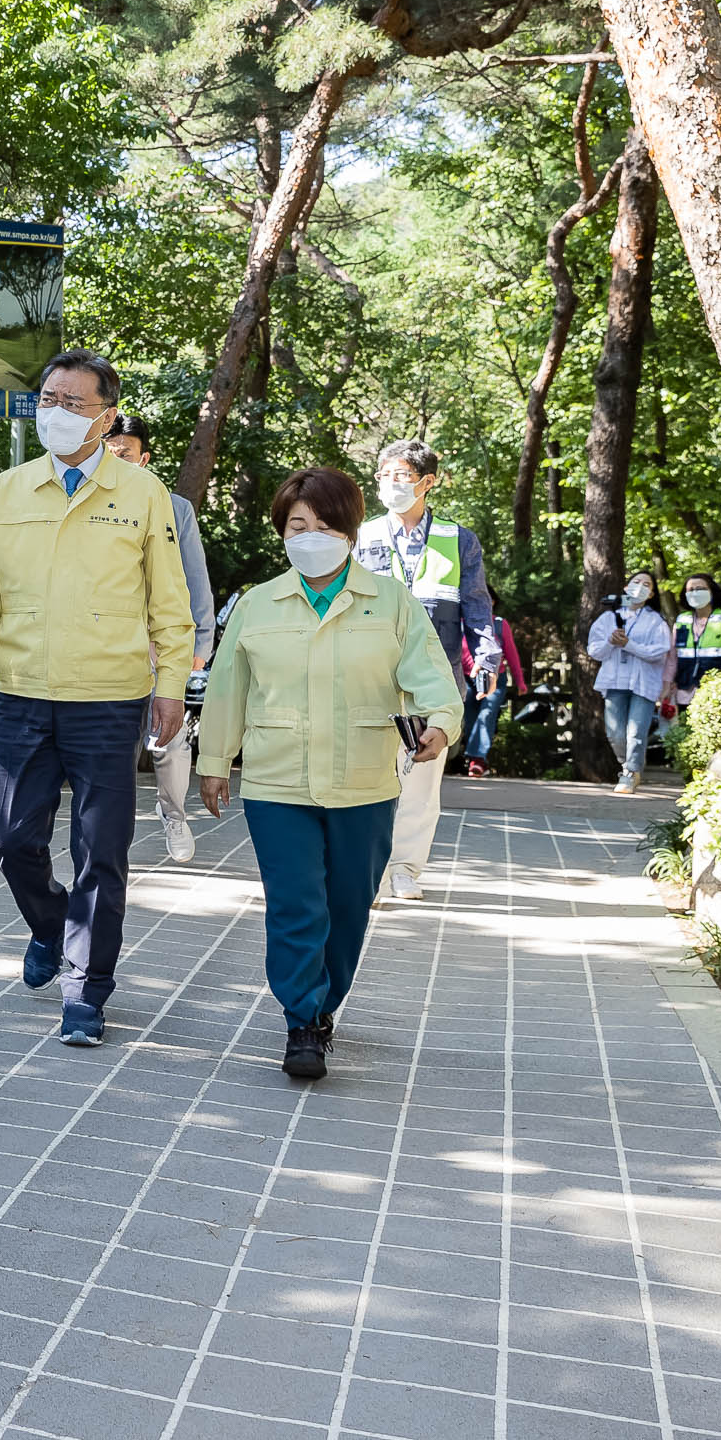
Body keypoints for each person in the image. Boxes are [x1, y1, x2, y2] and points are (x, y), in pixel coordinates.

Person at [0, 351, 197, 1049]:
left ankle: (86, 991)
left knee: (102, 852)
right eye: (47, 398)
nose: (54, 411)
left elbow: (169, 606)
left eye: (72, 402)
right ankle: (51, 926)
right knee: (11, 837)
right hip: (24, 694)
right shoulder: (7, 490)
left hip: (110, 700)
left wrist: (170, 685)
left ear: (107, 415)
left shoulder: (143, 495)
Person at [196, 468, 463, 1081]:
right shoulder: (258, 603)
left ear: (348, 532)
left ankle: (324, 1003)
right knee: (296, 906)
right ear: (281, 532)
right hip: (276, 782)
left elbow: (431, 677)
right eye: (297, 525)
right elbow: (229, 691)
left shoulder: (391, 601)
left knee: (348, 907)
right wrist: (215, 764)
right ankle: (302, 1019)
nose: (310, 535)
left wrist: (440, 725)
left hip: (364, 781)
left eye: (324, 525)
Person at [357, 439, 498, 900]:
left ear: (426, 482)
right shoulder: (363, 535)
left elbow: (478, 608)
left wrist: (487, 658)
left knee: (420, 780)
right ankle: (370, 870)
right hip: (371, 676)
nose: (390, 484)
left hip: (434, 681)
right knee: (369, 778)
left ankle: (405, 869)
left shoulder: (459, 540)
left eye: (400, 475)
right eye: (384, 475)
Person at [104, 413, 216, 862]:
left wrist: (200, 646)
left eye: (126, 455)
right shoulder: (86, 502)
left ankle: (174, 814)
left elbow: (196, 580)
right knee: (116, 744)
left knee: (169, 739)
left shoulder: (175, 508)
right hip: (109, 648)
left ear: (144, 458)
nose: (117, 463)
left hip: (164, 645)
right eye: (109, 455)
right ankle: (114, 829)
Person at [588, 569, 674, 792]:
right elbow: (594, 650)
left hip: (643, 683)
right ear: (626, 588)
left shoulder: (657, 622)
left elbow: (658, 652)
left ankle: (630, 773)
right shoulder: (608, 618)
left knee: (636, 731)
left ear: (652, 594)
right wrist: (611, 641)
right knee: (615, 733)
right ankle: (628, 764)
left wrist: (628, 645)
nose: (640, 587)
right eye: (636, 582)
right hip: (615, 681)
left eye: (647, 584)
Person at [458, 594, 524, 777]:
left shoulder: (500, 624)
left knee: (486, 715)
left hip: (495, 677)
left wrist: (520, 681)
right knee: (470, 718)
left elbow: (512, 654)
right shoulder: (461, 623)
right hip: (467, 678)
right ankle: (476, 760)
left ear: (493, 602)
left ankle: (476, 760)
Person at [671, 573, 721, 711]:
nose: (695, 593)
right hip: (684, 690)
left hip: (716, 691)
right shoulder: (681, 620)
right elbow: (672, 658)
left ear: (712, 592)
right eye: (690, 590)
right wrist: (668, 684)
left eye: (701, 588)